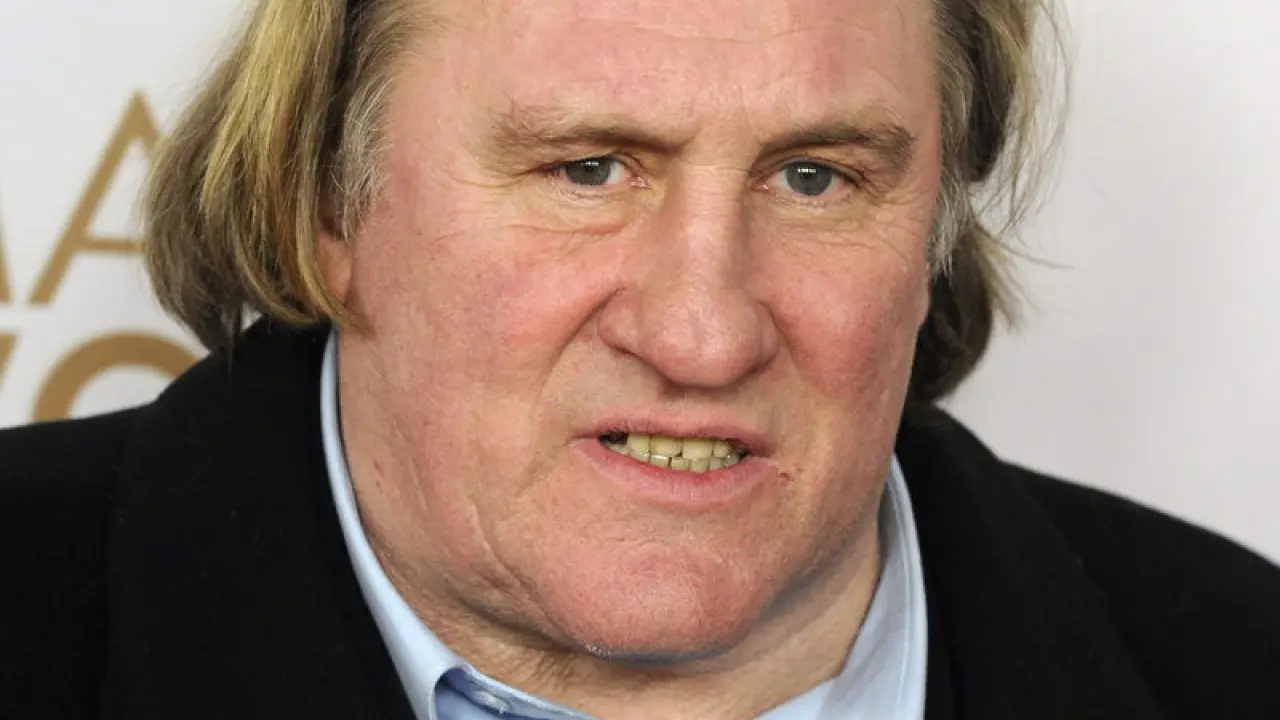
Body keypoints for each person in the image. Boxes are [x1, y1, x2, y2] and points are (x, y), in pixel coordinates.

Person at [2, 0, 1278, 717]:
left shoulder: (1233, 663)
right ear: (328, 203)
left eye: (813, 178)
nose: (702, 335)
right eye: (587, 169)